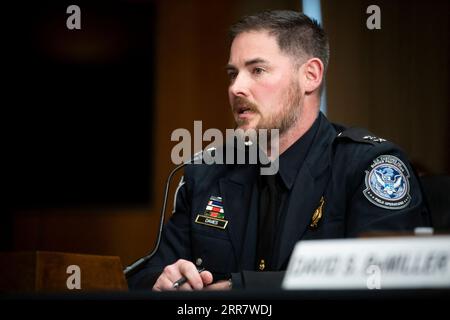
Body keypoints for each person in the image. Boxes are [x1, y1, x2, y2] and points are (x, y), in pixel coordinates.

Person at [128, 10, 430, 291]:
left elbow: (386, 279)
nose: (236, 88)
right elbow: (147, 272)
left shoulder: (368, 166)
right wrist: (163, 279)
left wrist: (241, 289)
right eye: (233, 74)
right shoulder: (208, 171)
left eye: (257, 70)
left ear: (310, 75)